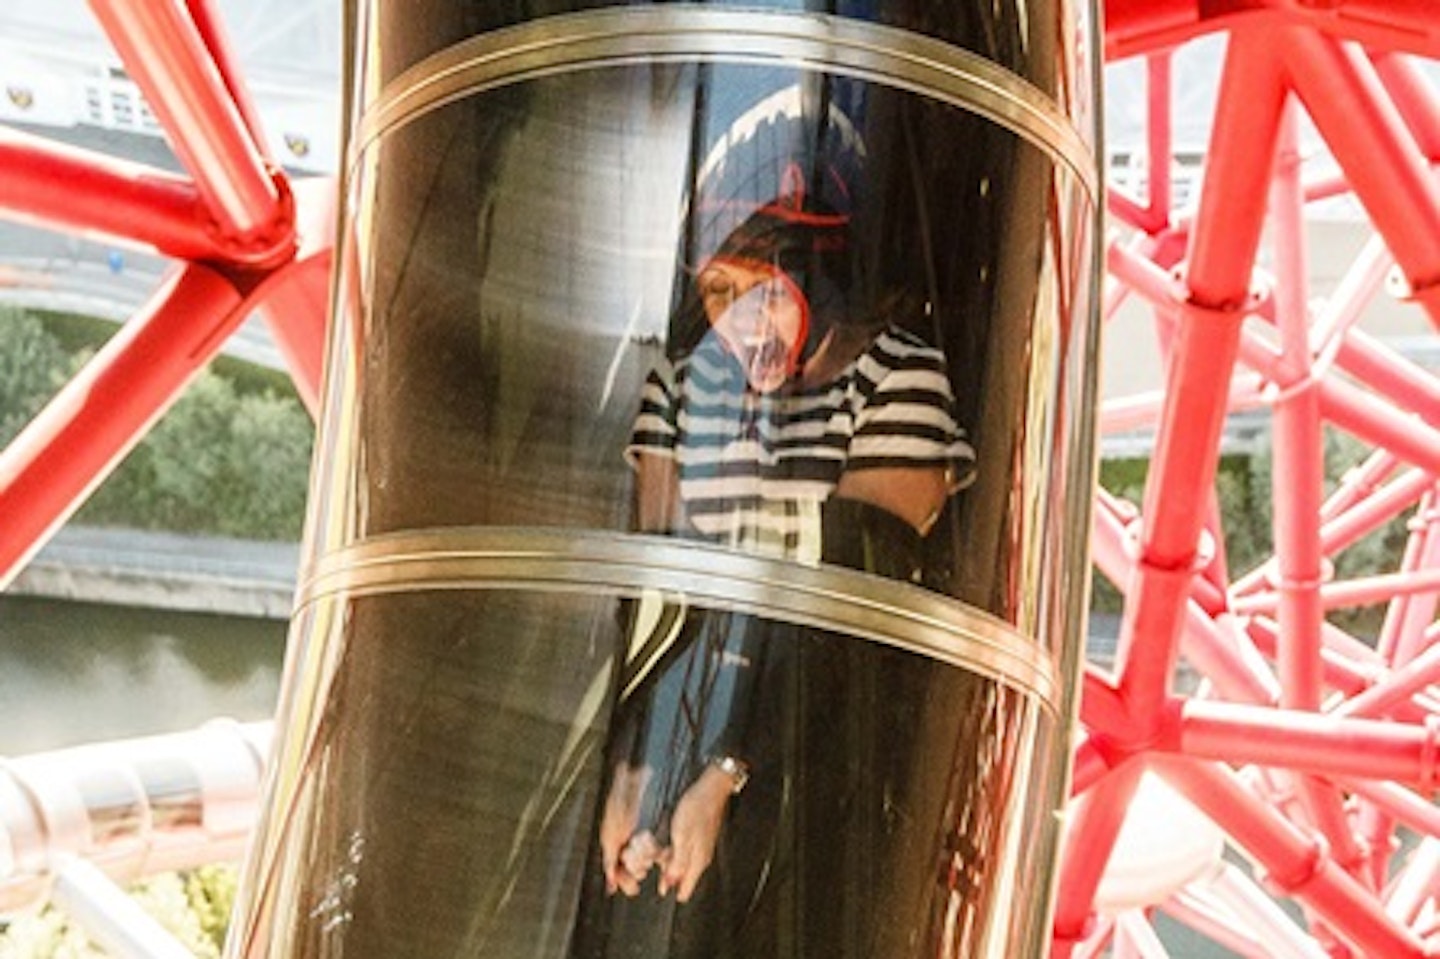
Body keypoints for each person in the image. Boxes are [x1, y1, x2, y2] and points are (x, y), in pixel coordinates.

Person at [572, 86, 975, 958]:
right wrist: (634, 763)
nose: (735, 324)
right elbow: (655, 596)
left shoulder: (899, 378)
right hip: (695, 742)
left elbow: (856, 620)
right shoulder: (682, 386)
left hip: (822, 753)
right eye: (718, 292)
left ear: (821, 274)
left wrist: (722, 766)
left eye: (762, 289)